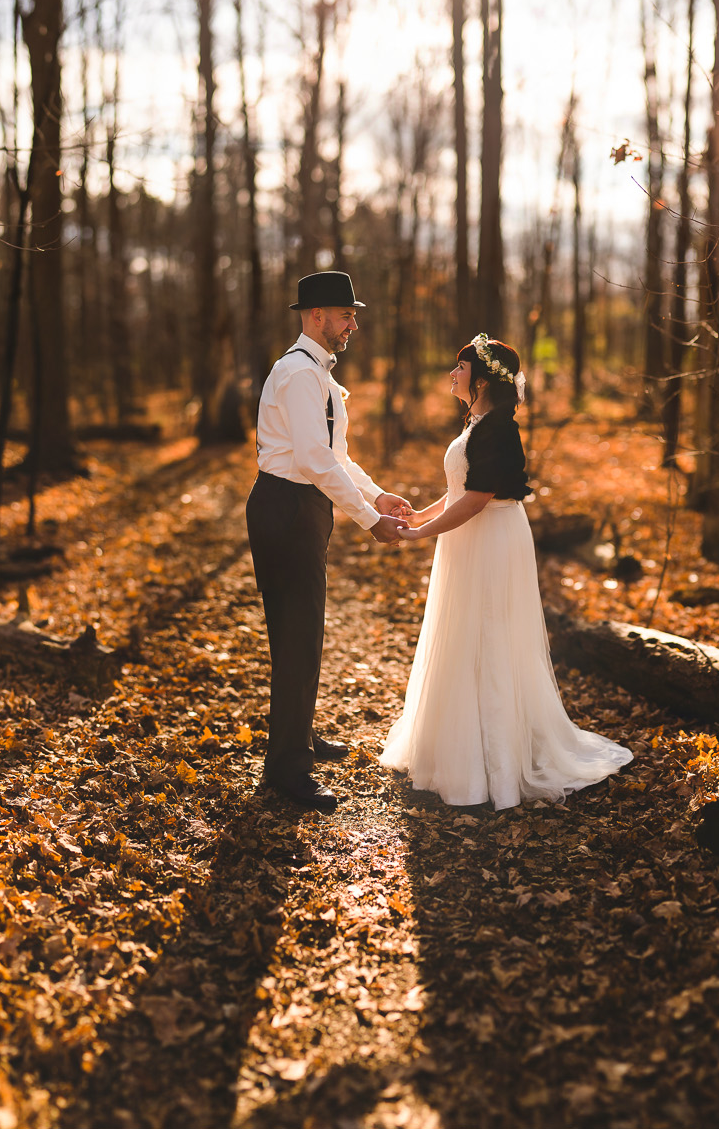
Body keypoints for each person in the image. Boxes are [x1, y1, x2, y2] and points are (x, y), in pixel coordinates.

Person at [379, 335, 632, 809]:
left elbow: (478, 501)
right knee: (464, 636)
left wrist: (421, 534)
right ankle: (461, 745)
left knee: (490, 636)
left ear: (481, 379)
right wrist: (419, 516)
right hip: (470, 536)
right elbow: (461, 489)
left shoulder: (498, 430)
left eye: (460, 367)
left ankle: (493, 762)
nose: (452, 374)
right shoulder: (479, 423)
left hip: (492, 539)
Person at [248, 271, 413, 812]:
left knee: (305, 632)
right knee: (297, 634)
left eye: (352, 314)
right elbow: (314, 460)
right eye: (345, 315)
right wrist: (370, 520)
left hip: (304, 506)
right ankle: (287, 769)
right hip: (286, 507)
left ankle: (298, 736)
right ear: (316, 316)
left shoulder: (316, 372)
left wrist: (378, 494)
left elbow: (335, 455)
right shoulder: (298, 374)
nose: (352, 324)